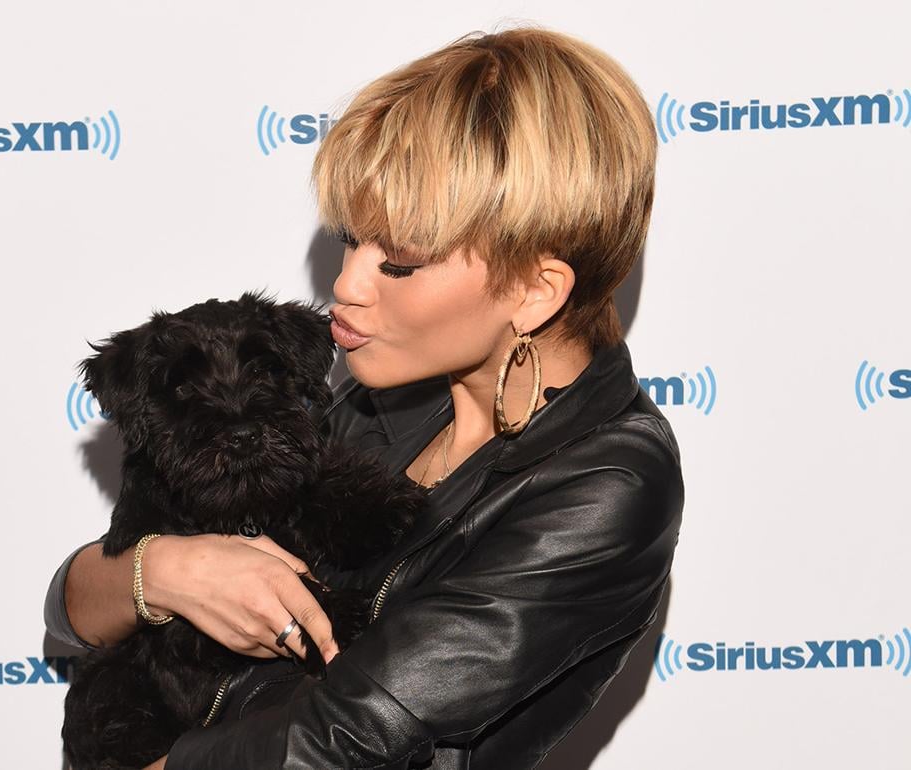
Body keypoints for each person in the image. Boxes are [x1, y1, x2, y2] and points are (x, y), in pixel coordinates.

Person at [44, 25, 684, 770]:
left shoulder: (607, 484)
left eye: (400, 261)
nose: (345, 284)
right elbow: (71, 615)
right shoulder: (384, 401)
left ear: (536, 291)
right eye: (350, 239)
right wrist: (162, 572)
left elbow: (350, 734)